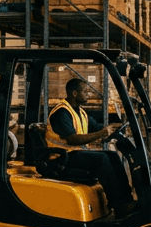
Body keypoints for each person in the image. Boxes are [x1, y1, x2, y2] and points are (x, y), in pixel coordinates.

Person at [46, 78, 135, 217]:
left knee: (112, 155)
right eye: (85, 91)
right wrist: (101, 133)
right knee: (102, 159)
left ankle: (126, 199)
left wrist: (113, 129)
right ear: (75, 93)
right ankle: (118, 204)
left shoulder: (80, 112)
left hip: (73, 154)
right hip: (61, 158)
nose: (89, 94)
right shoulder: (61, 112)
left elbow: (97, 127)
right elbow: (72, 139)